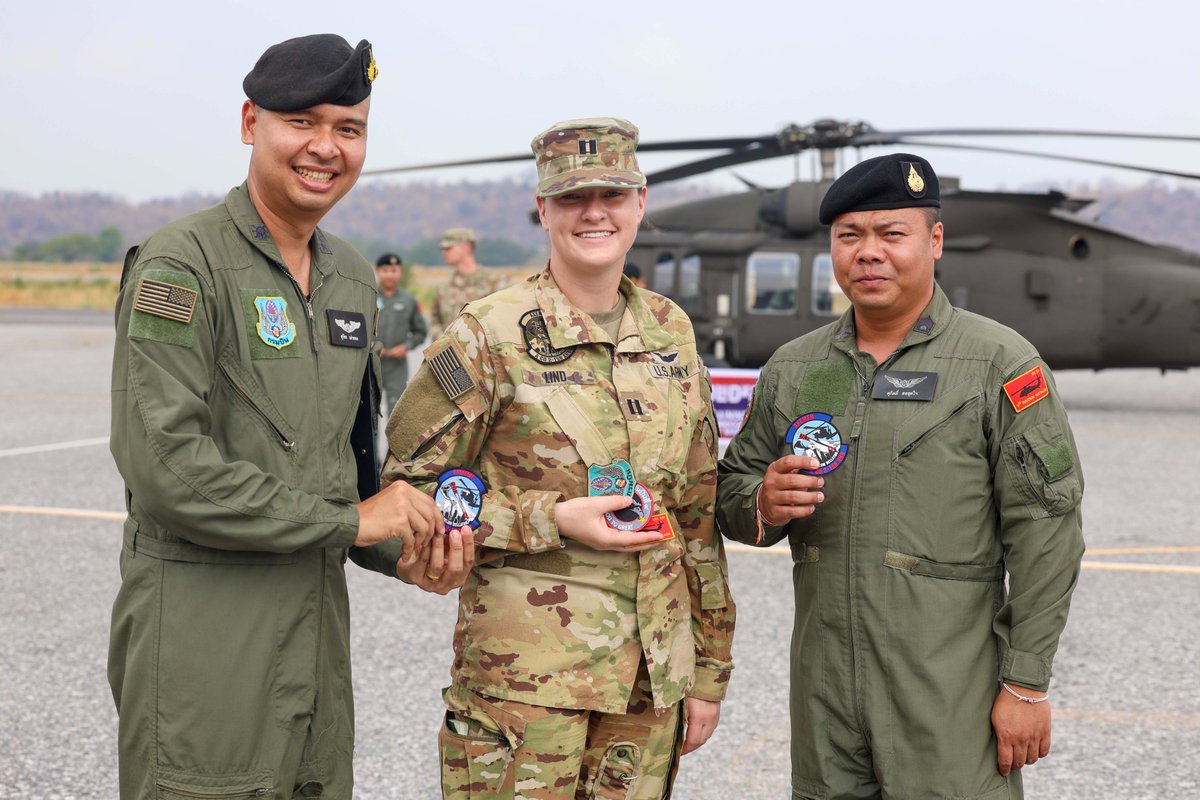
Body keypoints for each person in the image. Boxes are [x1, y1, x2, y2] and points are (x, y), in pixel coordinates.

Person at [107, 34, 472, 800]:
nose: (325, 147)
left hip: (314, 644)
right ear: (251, 124)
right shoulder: (183, 265)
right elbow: (166, 469)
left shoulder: (348, 279)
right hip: (207, 641)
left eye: (349, 127)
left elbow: (353, 471)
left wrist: (400, 550)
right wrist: (352, 526)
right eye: (302, 121)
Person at [374, 117, 736, 799]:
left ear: (640, 203)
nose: (593, 212)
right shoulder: (487, 334)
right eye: (572, 198)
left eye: (612, 194)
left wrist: (709, 668)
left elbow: (696, 508)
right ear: (543, 210)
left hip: (648, 688)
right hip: (525, 691)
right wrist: (551, 518)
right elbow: (409, 494)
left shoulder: (670, 329)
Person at [716, 153, 1085, 800]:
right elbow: (731, 492)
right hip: (826, 697)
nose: (869, 253)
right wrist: (765, 504)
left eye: (892, 234)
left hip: (948, 697)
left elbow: (1046, 532)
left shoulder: (997, 364)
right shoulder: (796, 369)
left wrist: (1026, 683)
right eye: (850, 236)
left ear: (934, 241)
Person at [428, 226, 507, 339]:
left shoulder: (494, 283)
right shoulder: (444, 288)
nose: (444, 252)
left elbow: (503, 321)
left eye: (449, 248)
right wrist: (443, 340)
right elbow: (435, 320)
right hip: (451, 354)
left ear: (466, 247)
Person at [374, 252, 428, 413]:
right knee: (369, 415)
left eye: (394, 270)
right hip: (371, 363)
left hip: (396, 366)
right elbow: (356, 326)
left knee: (396, 413)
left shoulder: (409, 301)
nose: (389, 275)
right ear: (377, 271)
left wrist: (406, 346)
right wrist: (368, 344)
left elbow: (420, 332)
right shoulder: (368, 296)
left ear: (401, 272)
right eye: (385, 270)